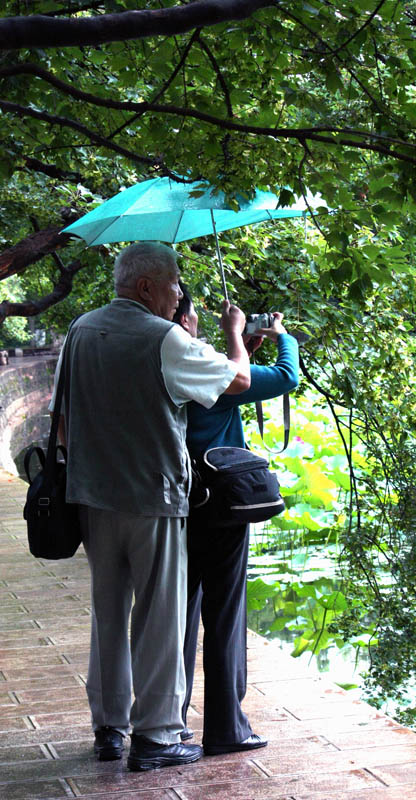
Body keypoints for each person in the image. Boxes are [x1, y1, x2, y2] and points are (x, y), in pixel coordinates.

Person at [51, 242, 250, 771]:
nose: (178, 293)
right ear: (146, 287)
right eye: (173, 283)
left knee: (108, 615)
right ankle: (158, 735)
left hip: (92, 497)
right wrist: (235, 334)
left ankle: (109, 729)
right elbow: (239, 380)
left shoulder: (81, 330)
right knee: (160, 618)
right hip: (153, 498)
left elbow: (62, 413)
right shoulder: (163, 338)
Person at [174, 282, 299, 755]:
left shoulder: (163, 364)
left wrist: (241, 350)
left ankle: (172, 718)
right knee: (224, 615)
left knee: (180, 613)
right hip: (221, 506)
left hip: (177, 501)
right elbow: (286, 377)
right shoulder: (204, 365)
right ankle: (227, 727)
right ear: (183, 320)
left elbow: (230, 377)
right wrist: (276, 334)